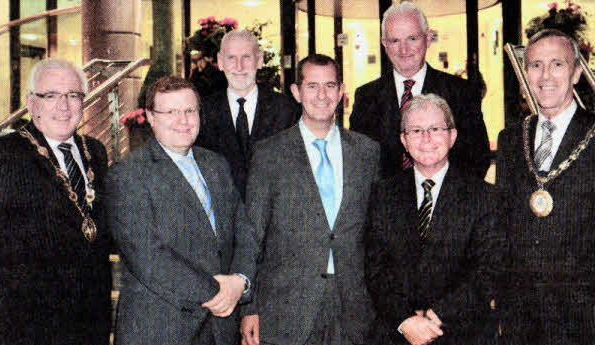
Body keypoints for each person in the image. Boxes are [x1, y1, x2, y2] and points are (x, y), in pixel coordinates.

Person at [106, 76, 259, 345]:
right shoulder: (128, 174)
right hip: (161, 330)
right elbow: (148, 258)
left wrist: (240, 280)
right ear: (151, 118)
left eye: (189, 110)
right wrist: (220, 293)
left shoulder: (216, 165)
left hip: (220, 329)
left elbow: (243, 233)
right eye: (171, 112)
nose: (183, 120)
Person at [240, 54, 379, 345]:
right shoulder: (269, 154)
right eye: (312, 86)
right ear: (296, 92)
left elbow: (376, 232)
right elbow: (251, 235)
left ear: (341, 92)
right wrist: (248, 307)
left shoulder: (367, 152)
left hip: (353, 308)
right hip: (286, 309)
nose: (322, 95)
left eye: (330, 86)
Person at [364, 93, 505, 345]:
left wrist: (433, 318)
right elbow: (376, 269)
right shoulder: (383, 194)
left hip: (462, 334)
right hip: (397, 333)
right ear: (403, 140)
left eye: (435, 129)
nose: (426, 138)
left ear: (452, 136)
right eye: (416, 130)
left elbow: (488, 272)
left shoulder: (484, 196)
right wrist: (405, 320)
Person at [0, 58, 111, 344]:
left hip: (89, 321)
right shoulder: (4, 154)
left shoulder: (94, 151)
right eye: (51, 96)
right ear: (32, 103)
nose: (64, 106)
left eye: (73, 95)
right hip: (27, 326)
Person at [496, 29, 595, 345]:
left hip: (582, 316)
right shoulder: (511, 140)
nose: (545, 76)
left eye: (557, 64)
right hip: (520, 316)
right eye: (536, 65)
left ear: (577, 72)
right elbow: (502, 224)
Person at [350, 1, 490, 180]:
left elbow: (477, 157)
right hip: (386, 205)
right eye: (395, 41)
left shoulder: (460, 92)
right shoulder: (366, 97)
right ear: (385, 44)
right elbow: (360, 163)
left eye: (412, 39)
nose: (404, 49)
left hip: (448, 203)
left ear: (428, 38)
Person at [196, 29, 300, 200]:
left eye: (246, 57)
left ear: (259, 60)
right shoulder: (203, 112)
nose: (239, 67)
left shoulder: (286, 110)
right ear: (220, 62)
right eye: (231, 58)